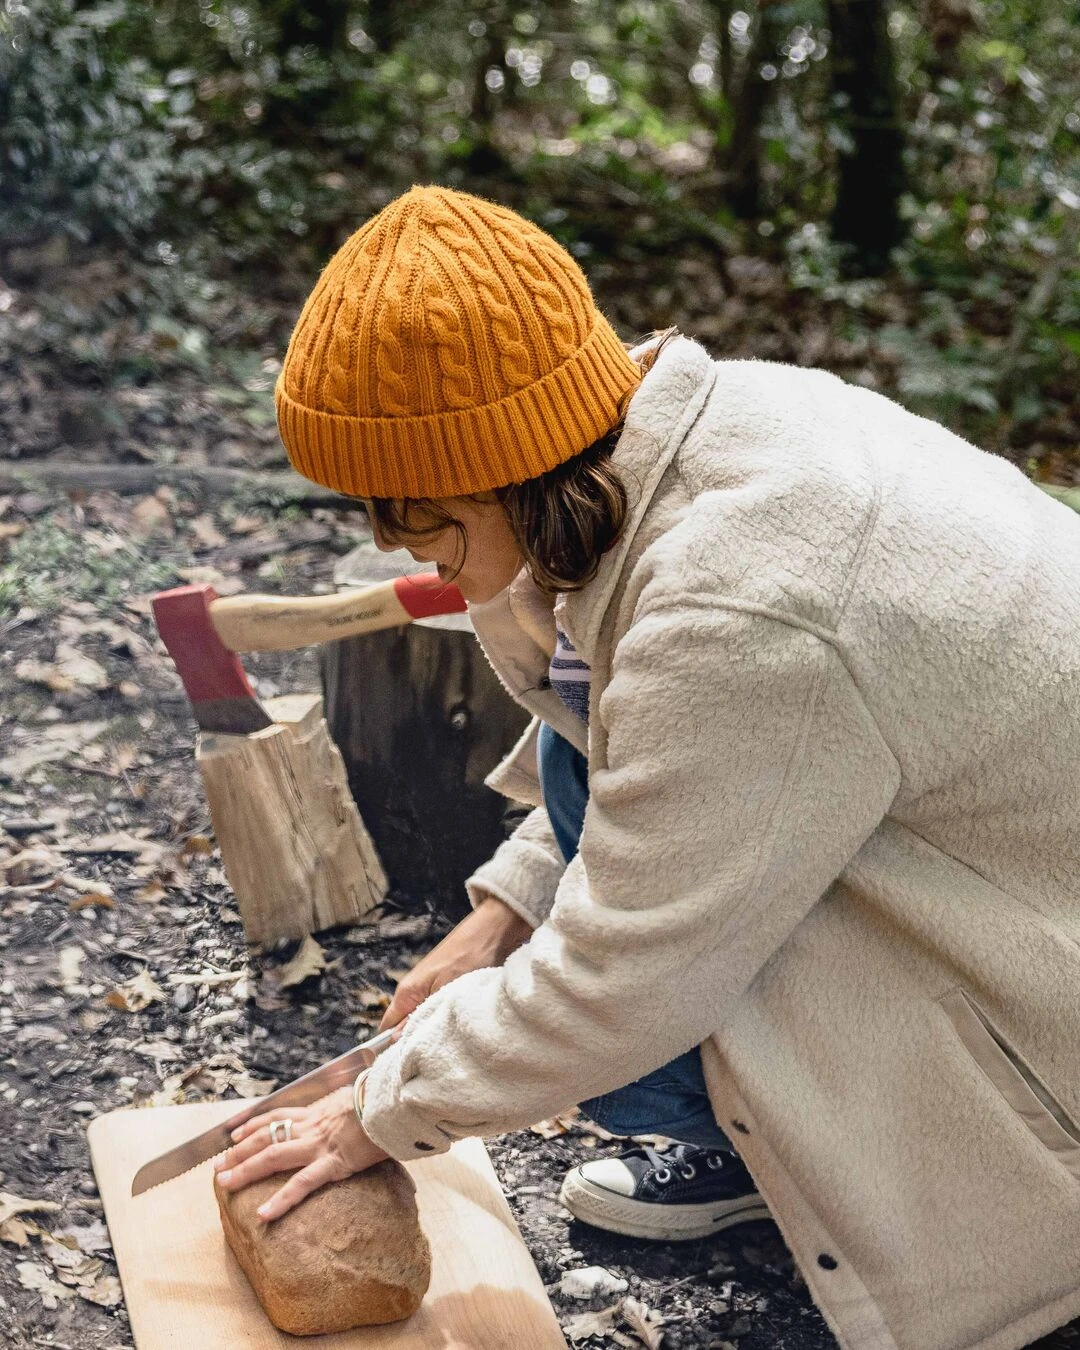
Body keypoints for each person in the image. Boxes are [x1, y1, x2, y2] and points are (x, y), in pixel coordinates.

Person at [214, 184, 1080, 1350]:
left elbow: (632, 967)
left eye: (404, 503)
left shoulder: (744, 603)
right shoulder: (688, 436)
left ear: (497, 459)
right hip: (987, 845)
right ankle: (754, 1151)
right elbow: (642, 750)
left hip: (1046, 978)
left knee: (682, 941)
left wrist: (381, 1112)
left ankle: (995, 1219)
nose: (384, 539)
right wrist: (502, 915)